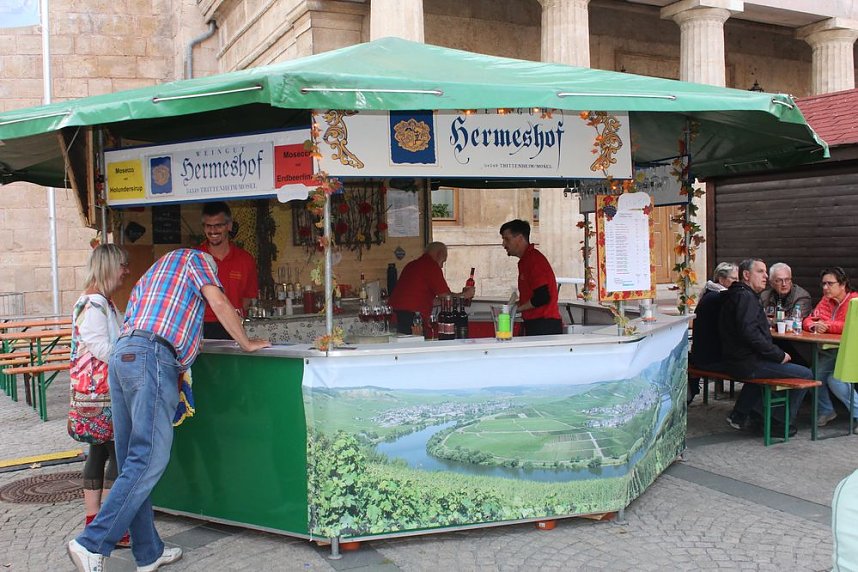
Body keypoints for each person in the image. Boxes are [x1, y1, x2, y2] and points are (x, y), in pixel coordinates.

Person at [67, 248, 270, 572]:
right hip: (151, 357)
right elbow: (218, 302)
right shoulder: (198, 260)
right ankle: (92, 541)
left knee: (134, 459)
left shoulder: (150, 278)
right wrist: (245, 342)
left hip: (123, 358)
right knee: (147, 459)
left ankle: (148, 552)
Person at [69, 244, 131, 547]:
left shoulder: (100, 302)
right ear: (107, 267)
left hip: (93, 395)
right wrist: (130, 356)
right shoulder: (94, 304)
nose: (126, 271)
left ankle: (95, 520)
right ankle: (110, 525)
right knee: (119, 455)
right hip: (101, 396)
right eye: (122, 265)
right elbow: (102, 348)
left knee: (98, 453)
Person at [719, 258, 812, 435]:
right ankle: (779, 423)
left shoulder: (740, 294)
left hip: (740, 359)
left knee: (782, 370)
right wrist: (777, 354)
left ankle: (755, 414)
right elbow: (750, 334)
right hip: (747, 363)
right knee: (806, 375)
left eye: (766, 273)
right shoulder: (745, 297)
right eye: (760, 272)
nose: (765, 276)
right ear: (746, 275)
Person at [803, 267, 858, 430]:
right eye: (823, 284)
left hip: (850, 350)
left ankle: (828, 410)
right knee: (818, 377)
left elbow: (851, 325)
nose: (825, 287)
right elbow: (809, 319)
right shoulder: (826, 300)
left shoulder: (854, 301)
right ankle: (827, 410)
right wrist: (814, 326)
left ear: (843, 284)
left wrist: (826, 326)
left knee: (821, 378)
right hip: (830, 349)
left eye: (830, 283)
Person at [197, 202, 258, 339]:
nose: (213, 231)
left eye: (218, 225)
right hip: (199, 326)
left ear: (229, 226)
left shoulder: (245, 259)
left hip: (233, 326)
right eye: (208, 226)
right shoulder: (194, 258)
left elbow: (247, 299)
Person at [389, 242, 474, 335]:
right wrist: (465, 295)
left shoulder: (411, 265)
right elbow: (446, 297)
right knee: (417, 348)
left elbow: (428, 300)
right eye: (443, 261)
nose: (441, 266)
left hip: (393, 316)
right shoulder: (431, 266)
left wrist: (459, 297)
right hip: (411, 319)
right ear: (439, 254)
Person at [500, 219, 562, 336]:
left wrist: (515, 310)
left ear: (519, 238)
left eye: (506, 239)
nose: (503, 244)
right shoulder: (526, 260)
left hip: (545, 325)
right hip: (536, 323)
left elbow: (542, 297)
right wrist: (515, 305)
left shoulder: (534, 260)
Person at [687, 262, 738, 404]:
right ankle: (745, 411)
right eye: (734, 279)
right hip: (710, 359)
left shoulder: (711, 294)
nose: (738, 283)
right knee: (753, 366)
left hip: (703, 355)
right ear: (721, 280)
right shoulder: (719, 298)